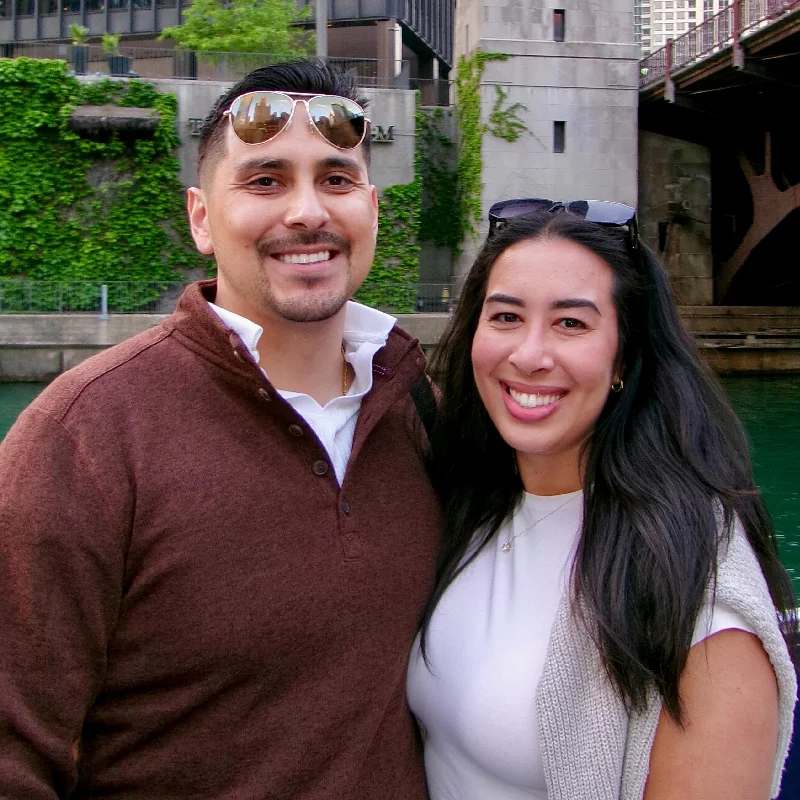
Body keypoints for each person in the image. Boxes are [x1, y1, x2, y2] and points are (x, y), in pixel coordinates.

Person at [0, 61, 441, 798]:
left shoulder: (413, 404)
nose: (307, 212)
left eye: (335, 180)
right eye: (265, 181)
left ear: (371, 208)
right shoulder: (85, 434)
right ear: (201, 217)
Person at [407, 200, 798, 800]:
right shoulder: (472, 501)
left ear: (624, 357)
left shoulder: (699, 598)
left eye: (571, 324)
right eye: (506, 316)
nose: (530, 354)